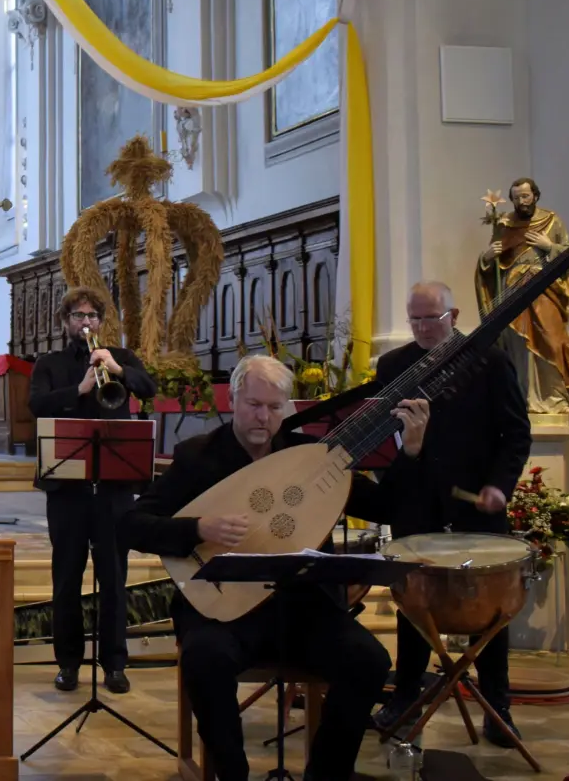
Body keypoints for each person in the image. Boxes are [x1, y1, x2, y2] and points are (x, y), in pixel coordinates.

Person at [119, 355, 408, 781]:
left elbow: (387, 506)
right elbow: (132, 525)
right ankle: (232, 775)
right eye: (254, 404)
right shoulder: (199, 457)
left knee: (368, 660)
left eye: (274, 408)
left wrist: (412, 453)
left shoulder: (310, 458)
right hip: (222, 611)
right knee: (205, 659)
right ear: (233, 399)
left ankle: (326, 775)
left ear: (287, 409)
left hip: (302, 608)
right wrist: (199, 527)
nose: (263, 416)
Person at [373, 281, 531, 746]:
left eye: (432, 319)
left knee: (491, 613)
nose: (422, 328)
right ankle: (405, 694)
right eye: (415, 319)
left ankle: (497, 705)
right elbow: (385, 444)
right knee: (413, 607)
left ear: (455, 315)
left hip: (477, 511)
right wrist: (410, 455)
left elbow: (515, 434)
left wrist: (499, 487)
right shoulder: (393, 367)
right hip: (417, 505)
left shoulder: (489, 361)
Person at [27, 286, 157, 694]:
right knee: (66, 580)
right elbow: (36, 406)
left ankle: (115, 664)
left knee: (114, 579)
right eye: (78, 315)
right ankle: (68, 663)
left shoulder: (120, 358)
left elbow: (148, 388)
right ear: (65, 322)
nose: (86, 322)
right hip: (67, 490)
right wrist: (80, 390)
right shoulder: (50, 363)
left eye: (92, 315)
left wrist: (116, 371)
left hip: (114, 488)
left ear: (101, 321)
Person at [476, 177, 569, 414]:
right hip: (513, 294)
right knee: (519, 349)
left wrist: (549, 247)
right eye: (516, 198)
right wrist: (486, 258)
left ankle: (555, 398)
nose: (521, 202)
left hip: (545, 290)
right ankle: (524, 399)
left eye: (525, 196)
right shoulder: (504, 224)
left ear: (535, 195)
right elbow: (493, 267)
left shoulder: (552, 221)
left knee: (552, 341)